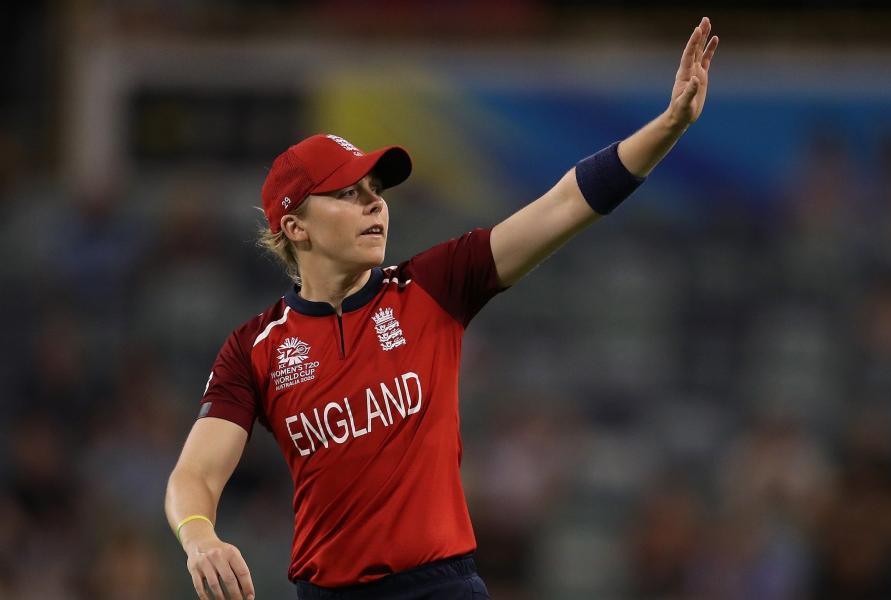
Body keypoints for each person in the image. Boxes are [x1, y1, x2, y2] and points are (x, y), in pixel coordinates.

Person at [164, 17, 719, 600]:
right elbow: (194, 475)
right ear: (294, 224)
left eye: (375, 190)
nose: (373, 203)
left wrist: (669, 124)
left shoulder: (432, 286)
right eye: (348, 193)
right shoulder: (254, 349)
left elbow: (565, 203)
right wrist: (200, 537)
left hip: (442, 588)